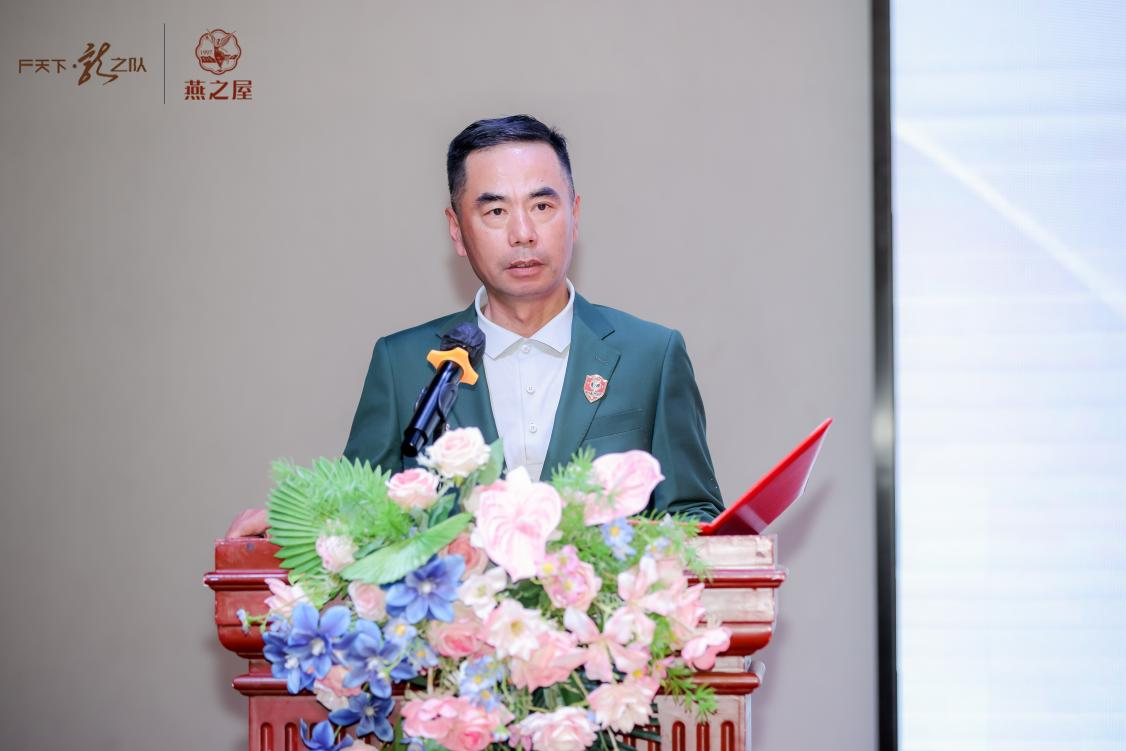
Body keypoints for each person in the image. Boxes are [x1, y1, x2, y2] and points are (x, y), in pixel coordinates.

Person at [225, 115, 722, 538]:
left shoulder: (651, 355)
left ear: (574, 215)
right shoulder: (403, 365)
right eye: (496, 210)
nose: (523, 233)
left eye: (542, 206)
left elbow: (695, 515)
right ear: (457, 230)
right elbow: (364, 516)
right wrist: (301, 525)